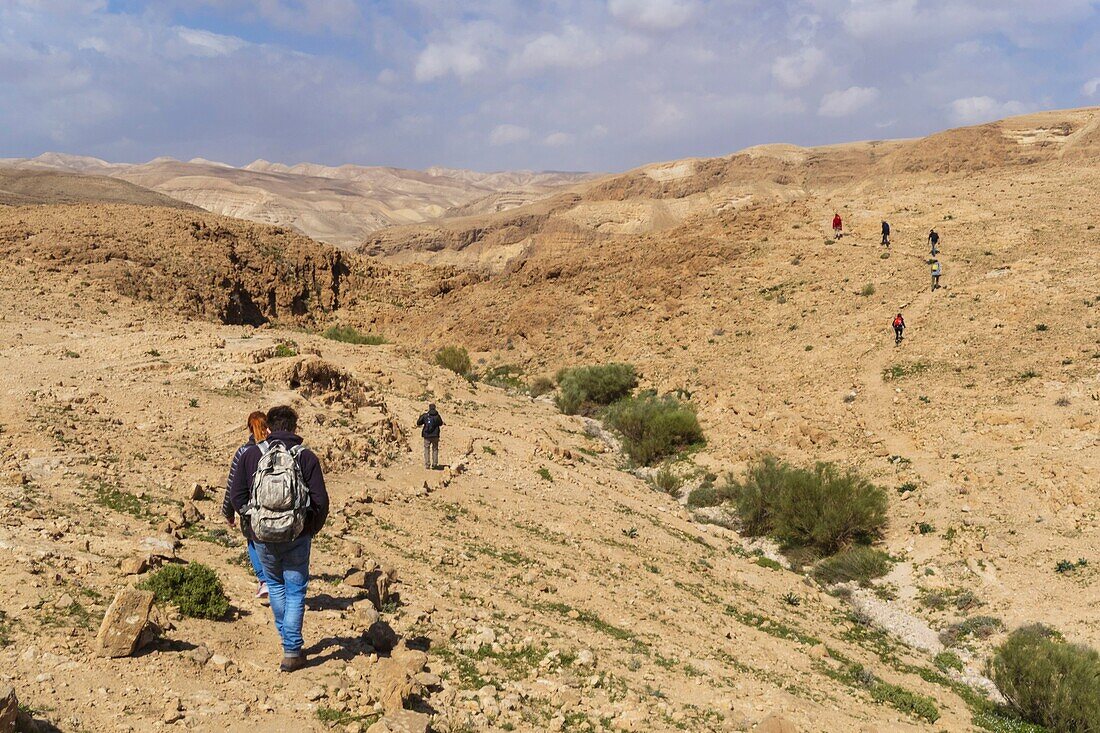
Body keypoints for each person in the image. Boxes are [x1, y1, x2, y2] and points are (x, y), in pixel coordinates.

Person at [231, 405, 328, 672]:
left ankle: (288, 643)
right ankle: (292, 650)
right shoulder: (306, 457)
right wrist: (309, 528)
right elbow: (321, 501)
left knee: (275, 586)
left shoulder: (250, 454)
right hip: (298, 534)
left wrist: (253, 522)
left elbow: (237, 496)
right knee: (296, 590)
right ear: (295, 428)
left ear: (269, 428)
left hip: (262, 537)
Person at [221, 411, 270, 599]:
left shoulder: (244, 452)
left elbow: (233, 485)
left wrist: (230, 512)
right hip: (279, 507)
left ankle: (264, 580)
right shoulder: (278, 448)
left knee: (252, 539)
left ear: (249, 428)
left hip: (252, 510)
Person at [416, 403, 444, 470]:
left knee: (426, 449)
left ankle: (427, 464)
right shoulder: (437, 416)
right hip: (435, 435)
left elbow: (418, 422)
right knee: (435, 449)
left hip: (427, 435)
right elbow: (441, 423)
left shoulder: (425, 415)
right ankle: (435, 464)